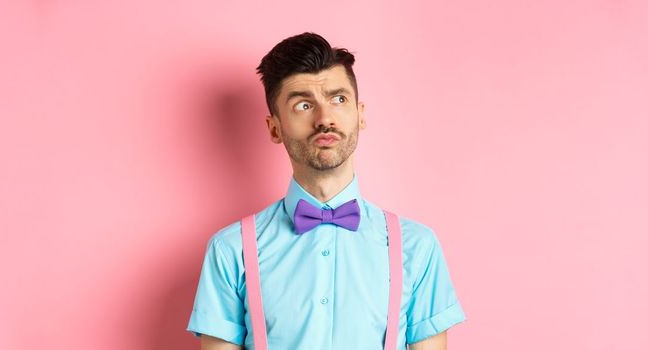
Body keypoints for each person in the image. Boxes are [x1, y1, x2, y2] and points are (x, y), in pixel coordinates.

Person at [187, 32, 465, 350]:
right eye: (304, 105)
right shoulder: (230, 251)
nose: (325, 119)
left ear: (360, 114)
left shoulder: (417, 246)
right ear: (274, 127)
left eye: (338, 99)